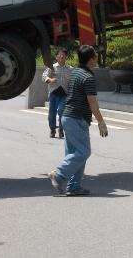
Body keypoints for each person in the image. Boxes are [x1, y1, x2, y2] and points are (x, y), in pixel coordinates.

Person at [49, 45, 108, 197]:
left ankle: (74, 186)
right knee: (83, 152)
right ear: (90, 59)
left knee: (75, 153)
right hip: (77, 118)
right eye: (95, 56)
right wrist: (101, 122)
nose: (96, 58)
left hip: (68, 117)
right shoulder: (88, 77)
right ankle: (59, 175)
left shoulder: (75, 72)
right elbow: (92, 101)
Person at [42, 49, 72, 139]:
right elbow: (44, 76)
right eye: (59, 55)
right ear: (56, 57)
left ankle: (61, 130)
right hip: (54, 94)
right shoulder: (52, 67)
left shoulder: (70, 69)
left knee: (62, 111)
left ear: (66, 57)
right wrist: (50, 80)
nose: (61, 57)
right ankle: (52, 129)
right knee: (52, 113)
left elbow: (74, 80)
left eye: (63, 55)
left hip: (64, 94)